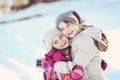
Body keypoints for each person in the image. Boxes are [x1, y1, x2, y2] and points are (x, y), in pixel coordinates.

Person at [54, 10, 109, 80]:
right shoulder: (75, 38)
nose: (67, 30)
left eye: (68, 25)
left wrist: (57, 66)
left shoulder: (85, 39)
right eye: (62, 29)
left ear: (75, 22)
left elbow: (77, 66)